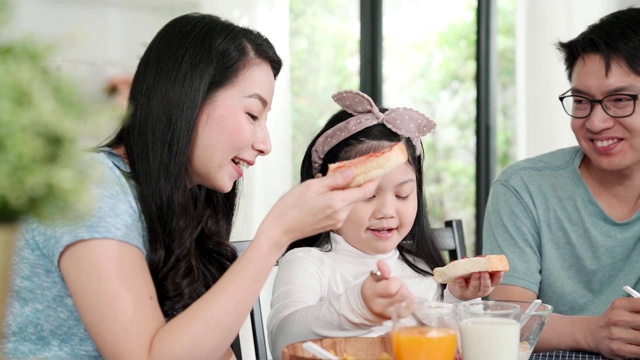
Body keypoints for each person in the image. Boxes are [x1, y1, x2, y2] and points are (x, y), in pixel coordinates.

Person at [2, 13, 379, 360]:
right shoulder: (97, 189)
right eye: (252, 113)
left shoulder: (181, 203)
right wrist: (275, 237)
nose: (265, 144)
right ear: (189, 98)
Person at [267, 90, 504, 358]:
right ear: (327, 192)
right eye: (368, 195)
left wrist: (458, 300)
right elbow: (281, 341)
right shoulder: (308, 264)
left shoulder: (422, 266)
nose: (387, 211)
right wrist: (356, 307)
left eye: (402, 194)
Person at [482, 7, 640, 359]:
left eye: (619, 100)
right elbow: (506, 321)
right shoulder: (523, 189)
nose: (596, 122)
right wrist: (594, 331)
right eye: (582, 101)